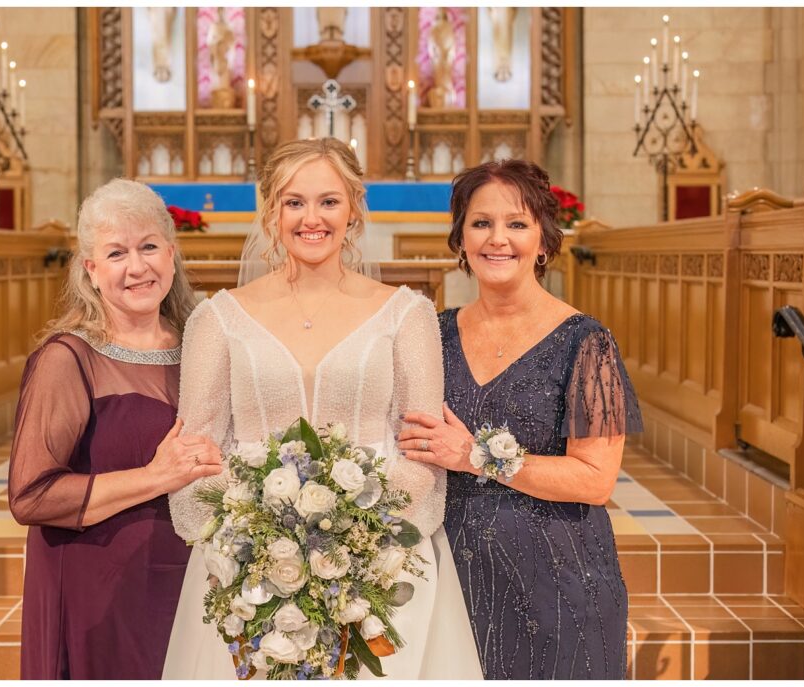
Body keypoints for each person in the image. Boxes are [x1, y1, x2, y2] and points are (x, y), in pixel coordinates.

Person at [162, 138, 482, 679]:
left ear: (354, 209)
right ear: (270, 212)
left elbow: (424, 449)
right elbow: (196, 452)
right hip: (249, 570)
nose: (312, 219)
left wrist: (356, 543)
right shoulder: (217, 320)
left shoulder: (407, 315)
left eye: (329, 201)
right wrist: (252, 541)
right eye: (294, 202)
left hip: (383, 565)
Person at [398, 159, 643, 679]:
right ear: (460, 240)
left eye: (517, 223)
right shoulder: (433, 335)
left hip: (556, 581)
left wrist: (475, 456)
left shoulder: (585, 342)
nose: (497, 239)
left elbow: (596, 479)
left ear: (544, 241)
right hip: (452, 584)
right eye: (481, 223)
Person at [8, 178, 222, 679]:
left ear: (171, 253)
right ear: (91, 269)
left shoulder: (203, 344)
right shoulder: (67, 359)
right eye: (116, 253)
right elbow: (31, 496)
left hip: (188, 582)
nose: (137, 267)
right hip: (96, 590)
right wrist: (155, 476)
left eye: (149, 246)